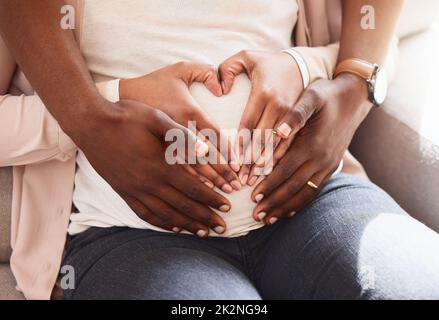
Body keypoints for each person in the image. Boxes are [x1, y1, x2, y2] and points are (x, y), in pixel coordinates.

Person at [1, 0, 439, 299]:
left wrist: (339, 80)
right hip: (129, 236)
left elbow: (384, 29)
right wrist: (101, 116)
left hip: (314, 202)